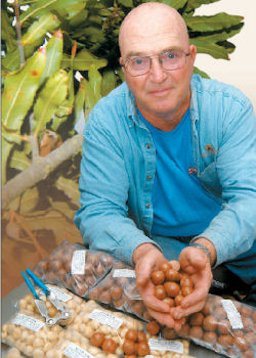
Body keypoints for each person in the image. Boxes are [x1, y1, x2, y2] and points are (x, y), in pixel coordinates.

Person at [74, 2, 256, 328]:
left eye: (170, 56)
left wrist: (205, 249)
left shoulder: (230, 109)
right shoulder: (106, 121)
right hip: (162, 249)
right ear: (123, 68)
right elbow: (99, 211)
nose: (157, 76)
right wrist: (143, 253)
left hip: (238, 246)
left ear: (191, 57)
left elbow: (249, 200)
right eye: (139, 61)